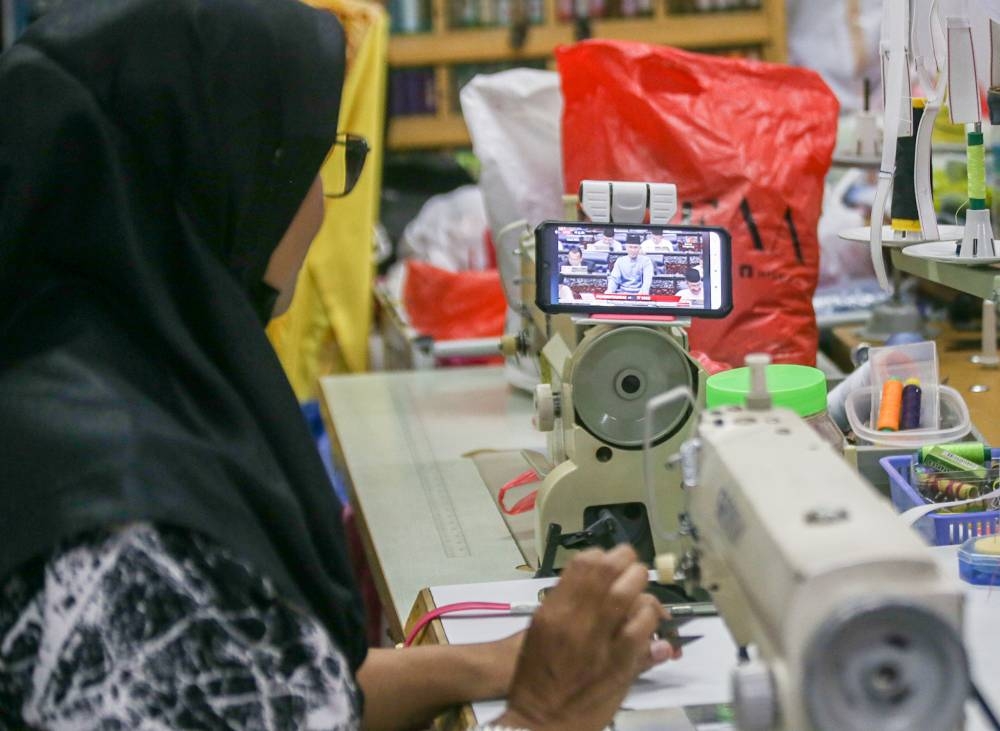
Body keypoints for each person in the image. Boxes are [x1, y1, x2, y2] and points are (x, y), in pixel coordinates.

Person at [0, 0, 677, 729]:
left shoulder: (95, 380)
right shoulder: (125, 545)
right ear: (207, 184)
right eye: (305, 166)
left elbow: (268, 686)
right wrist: (545, 710)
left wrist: (495, 661)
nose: (321, 209)